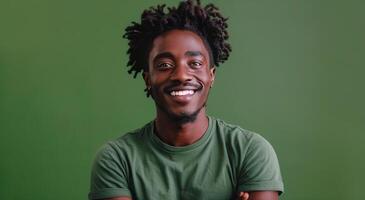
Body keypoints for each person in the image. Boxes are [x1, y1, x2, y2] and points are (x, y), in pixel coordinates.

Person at [88, 0, 284, 199]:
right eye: (164, 65)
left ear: (211, 75)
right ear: (148, 79)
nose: (181, 75)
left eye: (195, 63)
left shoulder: (250, 151)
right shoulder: (116, 158)